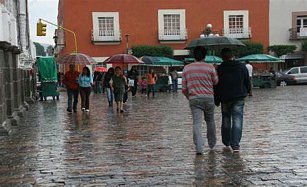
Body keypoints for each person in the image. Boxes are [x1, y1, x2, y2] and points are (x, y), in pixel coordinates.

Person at [182, 46, 218, 155]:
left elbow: (184, 88)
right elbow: (215, 82)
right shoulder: (210, 67)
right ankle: (212, 143)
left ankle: (199, 147)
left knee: (197, 123)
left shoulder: (187, 68)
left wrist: (190, 97)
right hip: (208, 97)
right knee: (210, 120)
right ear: (205, 56)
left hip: (194, 98)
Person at [214, 48, 250, 152]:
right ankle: (236, 144)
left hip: (225, 98)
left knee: (226, 119)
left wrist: (216, 99)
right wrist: (246, 91)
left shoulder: (219, 69)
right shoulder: (241, 66)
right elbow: (247, 80)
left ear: (222, 57)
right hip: (239, 96)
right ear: (232, 56)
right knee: (237, 119)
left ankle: (226, 141)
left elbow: (216, 85)